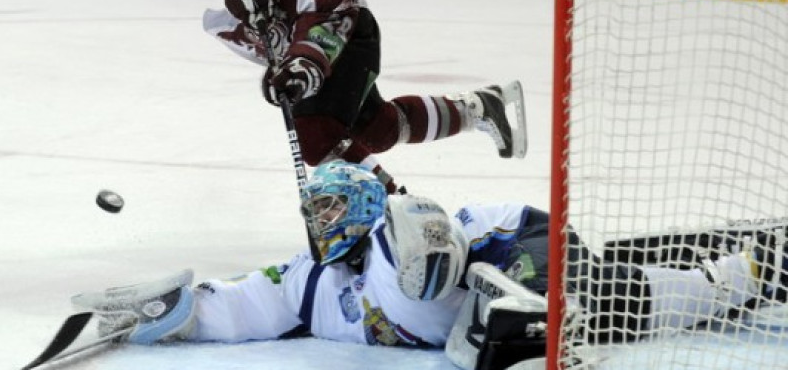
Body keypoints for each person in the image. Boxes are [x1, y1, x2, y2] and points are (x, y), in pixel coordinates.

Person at [71, 161, 788, 369]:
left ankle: (742, 276)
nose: (316, 226)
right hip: (493, 303)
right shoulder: (313, 280)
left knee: (596, 296)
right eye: (311, 214)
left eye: (327, 211)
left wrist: (526, 281)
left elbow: (439, 248)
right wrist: (177, 312)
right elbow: (246, 304)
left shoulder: (396, 226)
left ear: (358, 207)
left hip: (524, 246)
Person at [163, 0, 527, 193]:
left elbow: (319, 39)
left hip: (348, 43)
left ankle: (396, 208)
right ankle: (477, 108)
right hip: (295, 44)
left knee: (318, 138)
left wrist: (299, 71)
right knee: (377, 128)